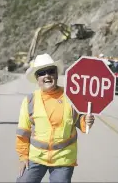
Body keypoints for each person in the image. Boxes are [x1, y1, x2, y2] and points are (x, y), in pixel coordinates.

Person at [15, 53, 95, 183]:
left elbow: (79, 120)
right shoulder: (30, 100)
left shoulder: (71, 96)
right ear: (37, 78)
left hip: (63, 159)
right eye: (42, 73)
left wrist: (86, 121)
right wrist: (23, 157)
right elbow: (23, 132)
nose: (47, 75)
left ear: (56, 74)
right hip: (36, 157)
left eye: (51, 71)